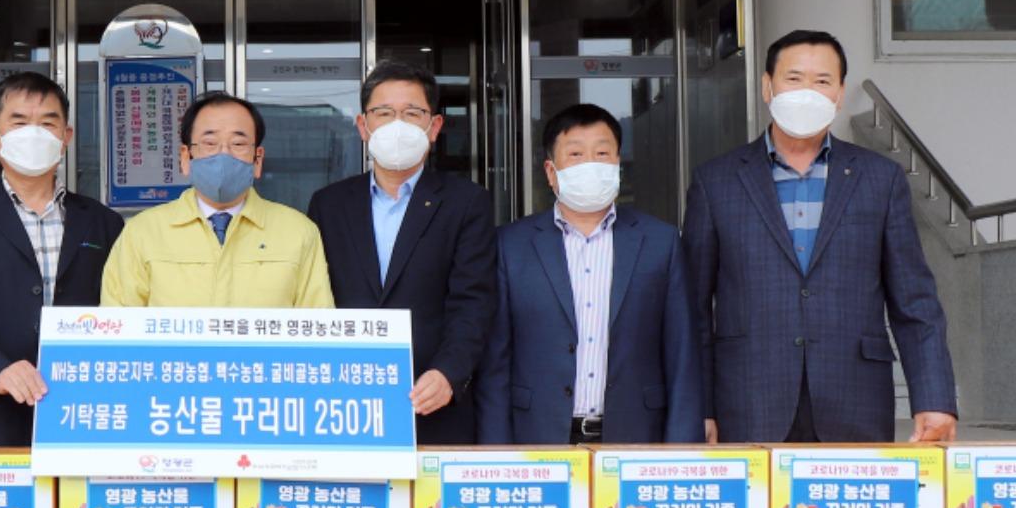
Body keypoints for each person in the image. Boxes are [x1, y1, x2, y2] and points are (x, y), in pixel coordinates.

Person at [681, 28, 958, 445]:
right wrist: (700, 407)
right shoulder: (716, 182)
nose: (807, 92)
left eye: (822, 81)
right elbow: (694, 310)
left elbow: (914, 300)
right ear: (767, 86)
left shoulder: (880, 179)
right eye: (794, 79)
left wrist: (935, 398)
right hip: (748, 399)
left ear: (840, 93)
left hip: (854, 397)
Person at [477, 105, 703, 445]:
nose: (590, 165)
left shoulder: (660, 241)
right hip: (537, 438)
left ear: (617, 165)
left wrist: (682, 446)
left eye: (602, 154)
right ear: (551, 172)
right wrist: (495, 451)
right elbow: (495, 361)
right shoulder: (510, 245)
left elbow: (682, 352)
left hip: (635, 437)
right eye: (576, 155)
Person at [0, 71, 123, 448]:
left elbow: (120, 309)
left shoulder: (103, 222)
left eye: (48, 123)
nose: (34, 133)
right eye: (19, 122)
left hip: (83, 412)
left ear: (66, 137)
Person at [307, 61, 497, 445]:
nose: (397, 125)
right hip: (344, 402)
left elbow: (473, 301)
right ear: (363, 126)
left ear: (435, 127)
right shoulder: (328, 204)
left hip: (432, 401)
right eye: (384, 113)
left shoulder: (466, 202)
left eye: (412, 114)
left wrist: (449, 373)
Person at [100, 91, 333, 309]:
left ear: (257, 159)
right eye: (210, 143)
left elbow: (317, 328)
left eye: (238, 144)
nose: (224, 154)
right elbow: (118, 326)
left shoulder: (298, 232)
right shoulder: (143, 232)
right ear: (185, 157)